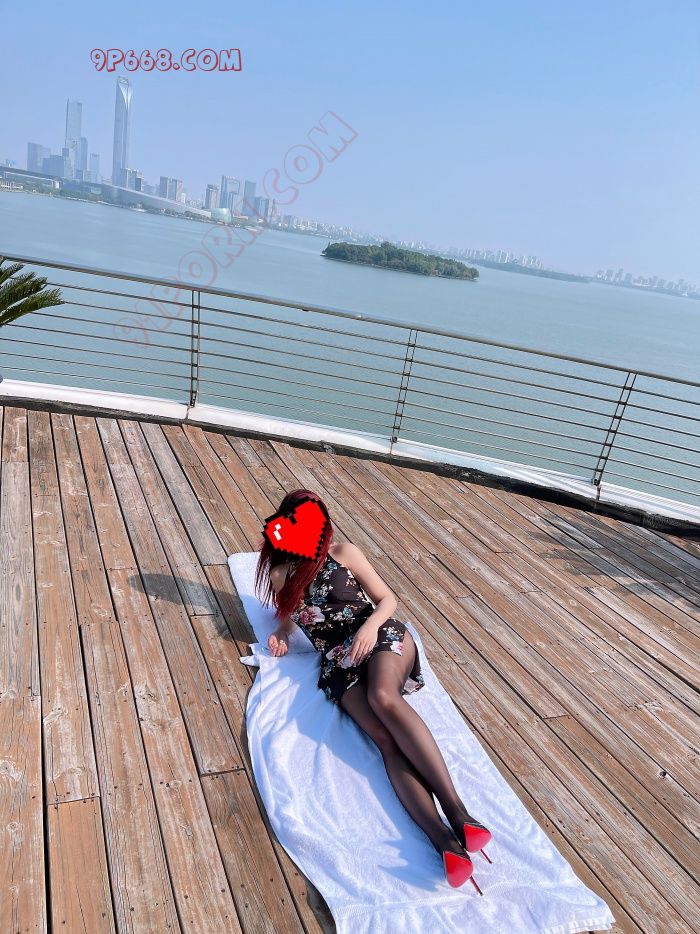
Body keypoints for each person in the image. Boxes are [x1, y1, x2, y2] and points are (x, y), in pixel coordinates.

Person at [255, 488, 493, 891]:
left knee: (383, 698)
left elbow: (387, 599)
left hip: (379, 633)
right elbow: (291, 615)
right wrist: (280, 631)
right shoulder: (282, 575)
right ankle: (446, 844)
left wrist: (368, 628)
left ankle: (459, 814)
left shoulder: (343, 553)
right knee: (385, 740)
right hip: (338, 660)